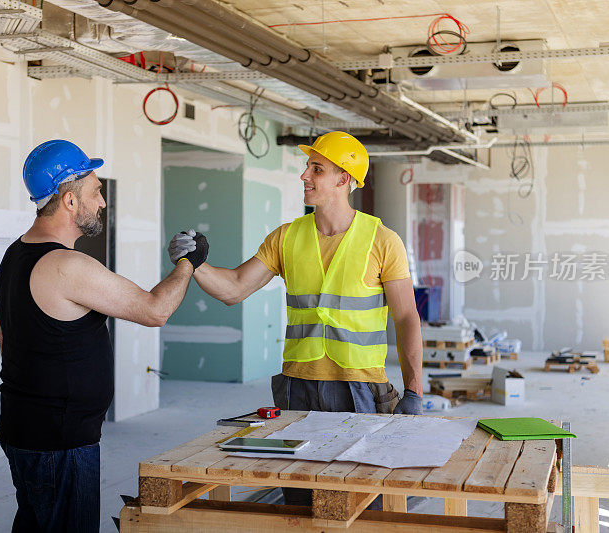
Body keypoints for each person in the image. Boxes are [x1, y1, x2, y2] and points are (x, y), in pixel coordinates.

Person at [168, 131, 423, 507]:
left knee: (363, 502)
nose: (305, 175)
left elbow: (406, 318)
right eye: (307, 167)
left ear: (343, 179)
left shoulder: (382, 240)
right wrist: (195, 263)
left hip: (360, 390)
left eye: (316, 169)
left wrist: (414, 391)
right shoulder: (286, 237)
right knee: (300, 499)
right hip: (296, 390)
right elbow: (235, 288)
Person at [0, 140, 208, 532]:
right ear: (69, 200)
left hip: (25, 429)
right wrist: (187, 263)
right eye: (95, 192)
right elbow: (155, 310)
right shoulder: (66, 265)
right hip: (59, 442)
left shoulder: (15, 255)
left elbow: (3, 336)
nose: (102, 203)